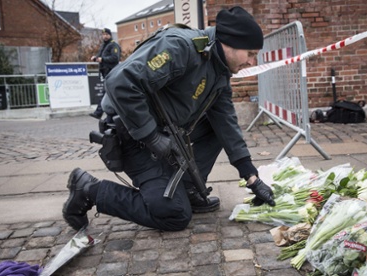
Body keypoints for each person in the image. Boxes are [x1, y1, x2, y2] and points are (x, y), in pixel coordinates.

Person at [63, 6, 275, 232]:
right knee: (174, 215)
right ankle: (88, 190)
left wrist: (251, 176)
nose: (252, 62)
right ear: (228, 43)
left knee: (217, 128)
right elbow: (120, 84)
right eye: (250, 54)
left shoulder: (219, 69)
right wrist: (151, 137)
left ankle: (189, 189)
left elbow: (226, 123)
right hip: (130, 132)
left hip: (163, 130)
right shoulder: (181, 47)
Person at [89, 28, 121, 119]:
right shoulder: (104, 45)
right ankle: (108, 115)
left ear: (110, 35)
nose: (105, 36)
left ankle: (99, 113)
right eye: (103, 34)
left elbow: (115, 58)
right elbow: (100, 57)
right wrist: (95, 58)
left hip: (112, 73)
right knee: (108, 94)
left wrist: (102, 59)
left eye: (107, 34)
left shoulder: (113, 45)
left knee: (105, 93)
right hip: (105, 73)